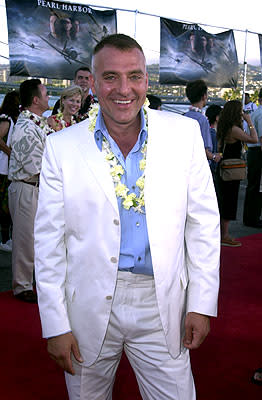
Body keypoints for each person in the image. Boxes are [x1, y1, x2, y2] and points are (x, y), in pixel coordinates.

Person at [35, 34, 220, 400]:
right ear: (92, 82)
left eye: (134, 76)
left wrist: (201, 303)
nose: (124, 89)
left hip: (161, 302)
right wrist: (54, 324)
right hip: (87, 306)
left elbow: (203, 225)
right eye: (110, 77)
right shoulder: (61, 147)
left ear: (147, 81)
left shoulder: (182, 135)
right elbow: (48, 244)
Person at [8, 79, 50, 303]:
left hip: (35, 188)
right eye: (45, 93)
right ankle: (22, 286)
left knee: (35, 238)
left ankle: (29, 283)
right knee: (25, 239)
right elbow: (36, 167)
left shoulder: (35, 125)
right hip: (27, 187)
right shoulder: (26, 128)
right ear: (35, 100)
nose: (48, 96)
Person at [216, 100, 258, 247]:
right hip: (232, 169)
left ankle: (222, 234)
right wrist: (250, 122)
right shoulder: (234, 129)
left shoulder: (223, 126)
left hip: (224, 166)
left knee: (224, 200)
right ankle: (225, 235)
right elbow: (254, 139)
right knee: (229, 201)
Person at [0, 90, 20, 252]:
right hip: (3, 168)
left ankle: (7, 238)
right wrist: (10, 153)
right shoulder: (6, 119)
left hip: (6, 168)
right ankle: (5, 239)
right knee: (4, 206)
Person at [184, 80, 222, 165]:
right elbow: (204, 149)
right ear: (204, 96)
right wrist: (214, 157)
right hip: (199, 164)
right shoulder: (202, 120)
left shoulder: (184, 116)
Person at [243, 89, 262, 228]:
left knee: (253, 185)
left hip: (253, 151)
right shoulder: (260, 114)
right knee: (256, 186)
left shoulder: (254, 113)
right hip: (258, 152)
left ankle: (250, 217)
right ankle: (253, 218)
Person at [205, 104, 222, 176]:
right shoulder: (213, 133)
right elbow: (215, 152)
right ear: (217, 118)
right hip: (213, 168)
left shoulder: (207, 131)